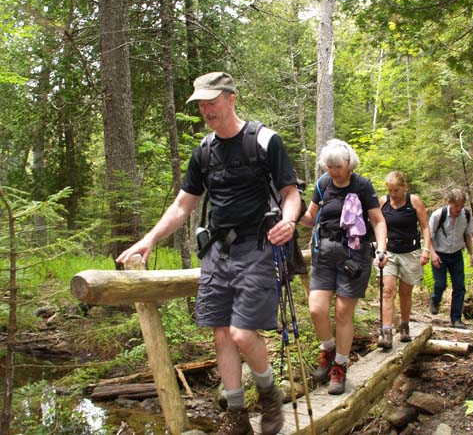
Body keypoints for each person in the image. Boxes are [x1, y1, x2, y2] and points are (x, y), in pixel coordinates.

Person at [116, 72, 301, 435]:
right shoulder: (204, 150)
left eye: (211, 102)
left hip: (259, 246)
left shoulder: (265, 141)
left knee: (242, 333)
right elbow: (183, 205)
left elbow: (290, 192)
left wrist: (290, 220)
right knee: (220, 334)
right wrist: (150, 238)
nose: (206, 110)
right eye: (200, 104)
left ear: (231, 99)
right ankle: (236, 415)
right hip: (218, 250)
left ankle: (268, 394)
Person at [298, 139, 388, 395]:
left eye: (337, 166)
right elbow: (310, 219)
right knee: (316, 309)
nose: (333, 171)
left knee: (342, 313)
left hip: (354, 256)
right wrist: (293, 209)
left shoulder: (362, 186)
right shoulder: (323, 184)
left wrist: (382, 247)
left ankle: (340, 367)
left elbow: (377, 220)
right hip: (324, 254)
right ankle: (328, 350)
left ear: (349, 163)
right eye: (329, 166)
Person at [374, 171, 438, 348]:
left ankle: (404, 325)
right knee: (388, 291)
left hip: (411, 251)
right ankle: (386, 332)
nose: (393, 194)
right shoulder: (383, 202)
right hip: (389, 252)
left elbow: (425, 227)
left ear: (404, 187)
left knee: (405, 292)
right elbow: (376, 225)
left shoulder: (414, 201)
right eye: (390, 190)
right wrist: (379, 248)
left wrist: (426, 250)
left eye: (396, 190)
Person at [428, 188, 473, 329]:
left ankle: (456, 319)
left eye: (461, 205)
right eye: (456, 206)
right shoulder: (438, 215)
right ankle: (435, 299)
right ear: (449, 203)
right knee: (440, 284)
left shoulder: (466, 215)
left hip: (456, 254)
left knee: (460, 287)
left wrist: (472, 253)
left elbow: (467, 235)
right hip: (439, 254)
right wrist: (433, 254)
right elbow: (428, 236)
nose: (459, 209)